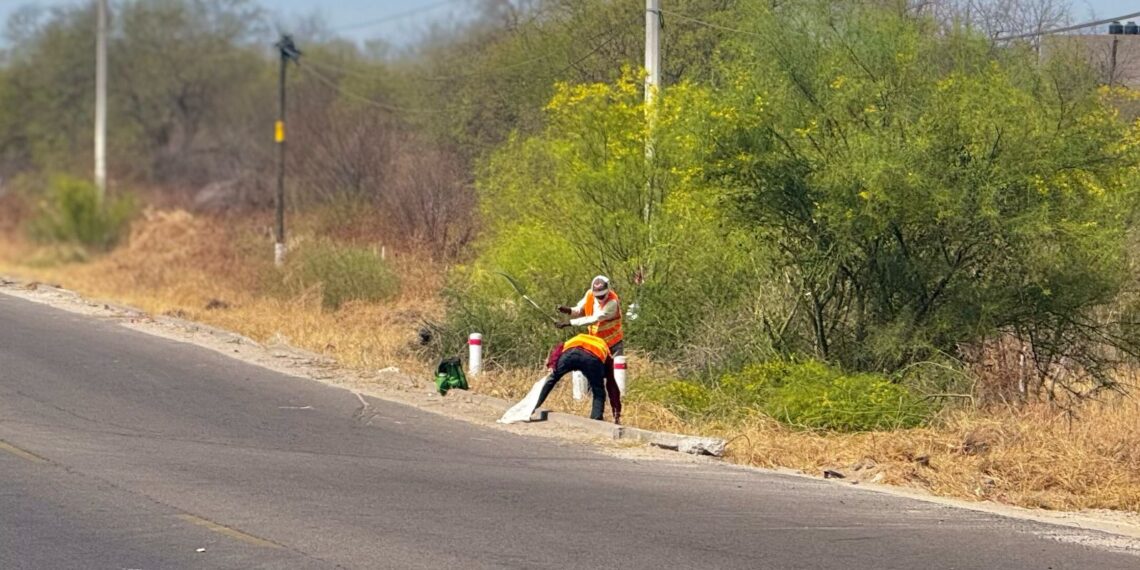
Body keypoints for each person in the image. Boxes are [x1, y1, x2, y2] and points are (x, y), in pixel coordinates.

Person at [556, 275, 624, 422]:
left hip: (612, 345)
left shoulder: (612, 302)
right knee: (593, 376)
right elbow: (579, 310)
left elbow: (594, 318)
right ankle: (590, 406)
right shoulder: (589, 295)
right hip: (596, 344)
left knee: (612, 379)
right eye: (597, 296)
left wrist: (569, 323)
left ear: (608, 290)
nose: (600, 299)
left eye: (602, 296)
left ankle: (617, 414)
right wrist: (567, 310)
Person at [534, 334, 614, 422]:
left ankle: (532, 406)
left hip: (571, 353)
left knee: (551, 379)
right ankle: (596, 419)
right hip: (592, 359)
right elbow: (609, 372)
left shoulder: (579, 337)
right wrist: (598, 378)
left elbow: (559, 348)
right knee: (598, 391)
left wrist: (551, 365)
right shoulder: (604, 345)